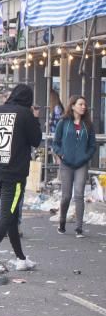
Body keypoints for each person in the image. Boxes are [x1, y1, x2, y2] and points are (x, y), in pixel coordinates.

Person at [0, 83, 43, 272]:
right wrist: (35, 117)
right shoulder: (25, 114)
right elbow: (36, 140)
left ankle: (21, 259)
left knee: (12, 215)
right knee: (7, 216)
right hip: (15, 174)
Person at [53, 95, 96, 238]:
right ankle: (62, 222)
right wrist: (62, 155)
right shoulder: (63, 122)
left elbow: (92, 146)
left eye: (85, 104)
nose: (84, 106)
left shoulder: (88, 125)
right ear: (72, 106)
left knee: (79, 195)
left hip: (81, 165)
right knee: (66, 197)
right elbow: (56, 143)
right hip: (66, 165)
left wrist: (86, 156)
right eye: (81, 104)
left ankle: (79, 228)